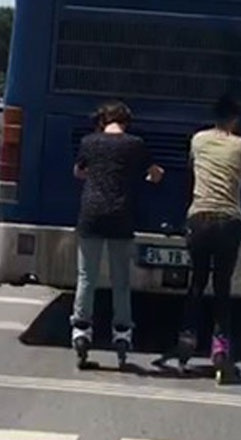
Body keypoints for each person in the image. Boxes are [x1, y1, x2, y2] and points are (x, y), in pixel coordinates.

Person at [71, 101, 164, 367]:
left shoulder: (89, 141)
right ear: (126, 121)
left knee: (86, 276)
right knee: (120, 279)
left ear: (103, 120)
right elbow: (154, 174)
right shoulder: (135, 144)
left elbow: (79, 171)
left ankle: (81, 330)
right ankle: (122, 333)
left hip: (90, 214)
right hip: (121, 216)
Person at [175, 94, 241, 378]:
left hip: (199, 217)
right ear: (235, 120)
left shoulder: (198, 140)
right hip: (229, 220)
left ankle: (187, 339)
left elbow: (191, 165)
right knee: (222, 285)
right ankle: (220, 348)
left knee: (196, 282)